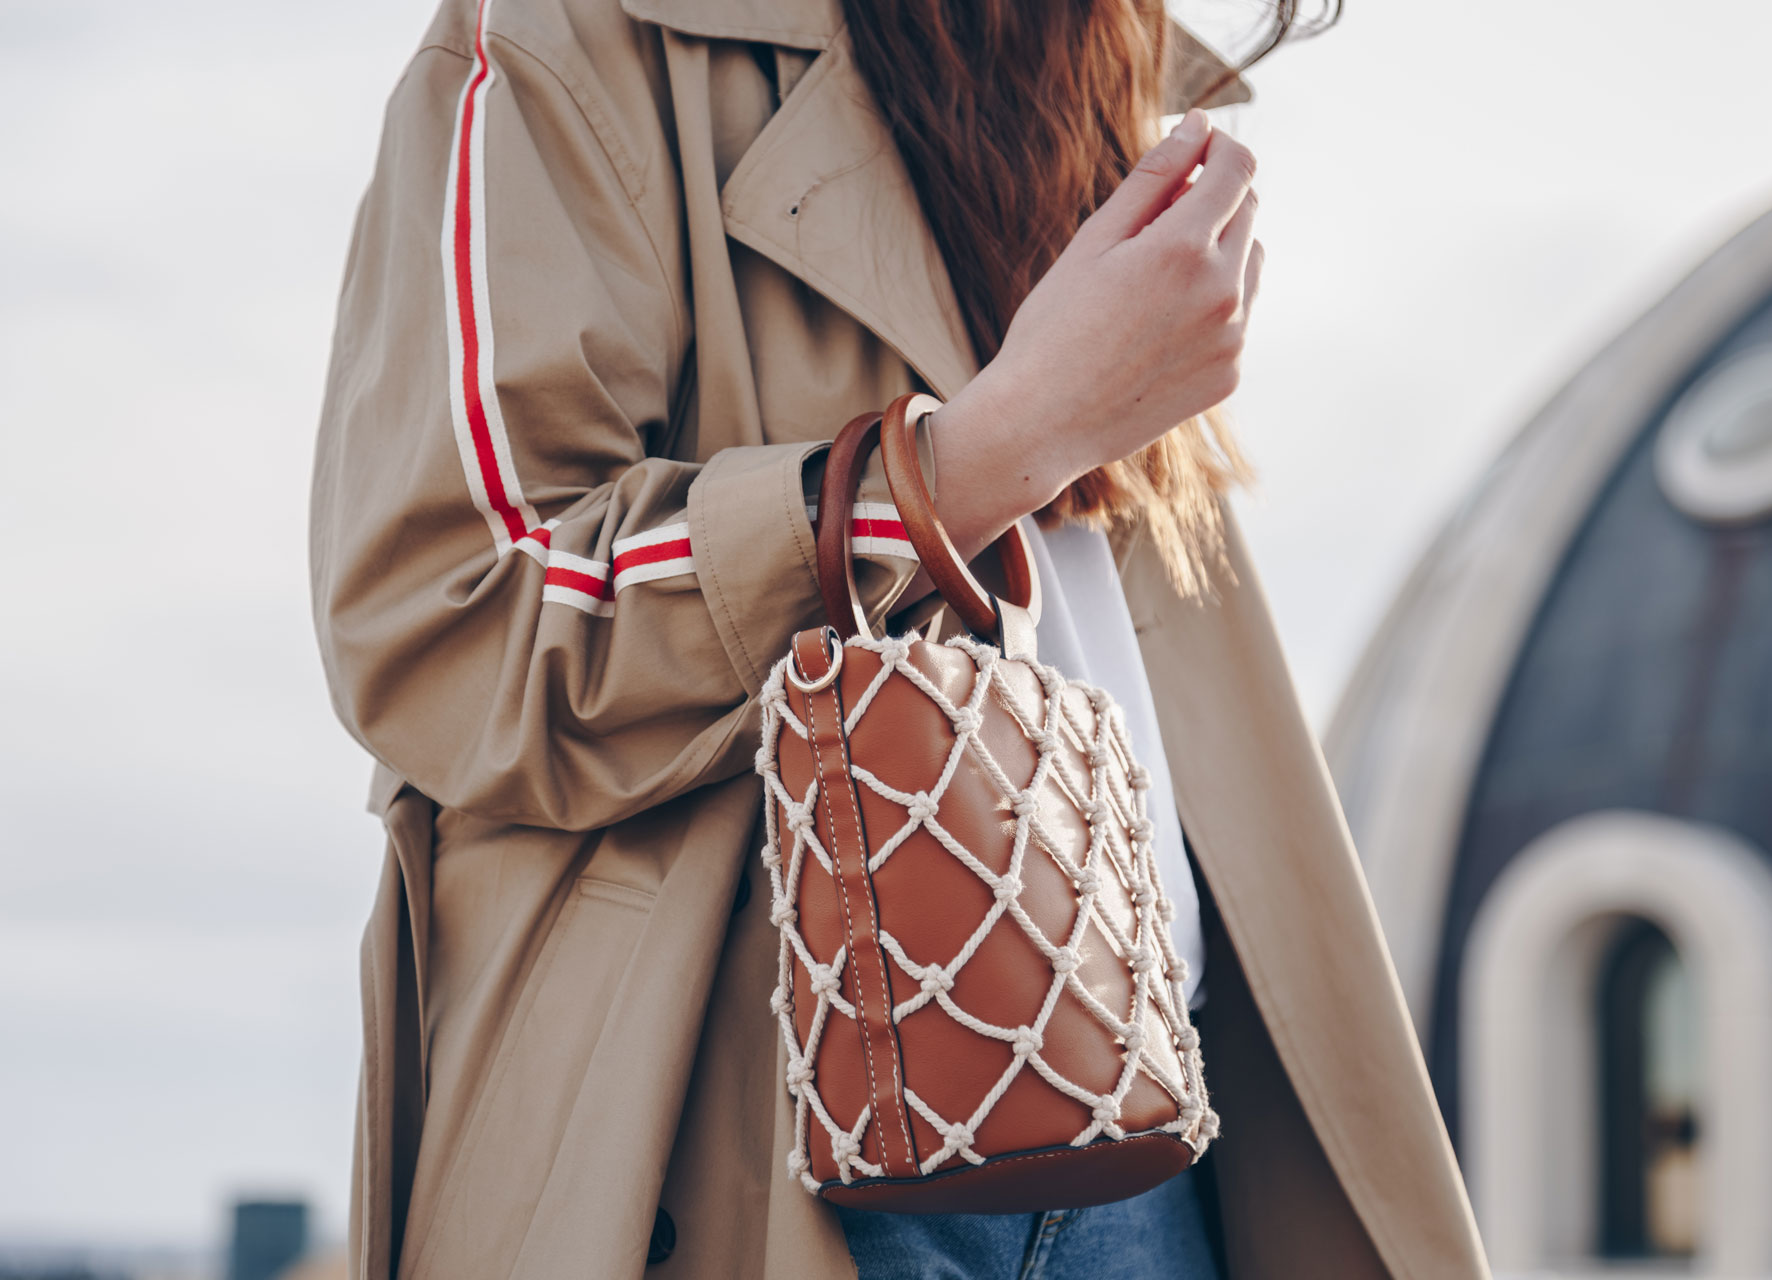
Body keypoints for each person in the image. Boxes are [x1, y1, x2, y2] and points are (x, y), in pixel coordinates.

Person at [310, 0, 1489, 1276]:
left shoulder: (1095, 63)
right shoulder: (573, 36)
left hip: (1155, 1126)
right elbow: (461, 608)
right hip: (756, 1151)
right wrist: (972, 462)